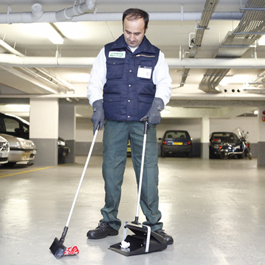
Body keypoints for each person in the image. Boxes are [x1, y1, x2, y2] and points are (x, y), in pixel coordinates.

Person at [86, 8, 173, 245]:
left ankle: (153, 225)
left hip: (143, 121)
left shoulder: (155, 55)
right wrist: (97, 106)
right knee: (111, 172)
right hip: (114, 120)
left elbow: (164, 83)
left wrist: (157, 105)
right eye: (127, 32)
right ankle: (109, 222)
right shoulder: (108, 51)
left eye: (137, 33)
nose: (132, 37)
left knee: (148, 173)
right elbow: (95, 81)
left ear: (145, 29)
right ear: (122, 27)